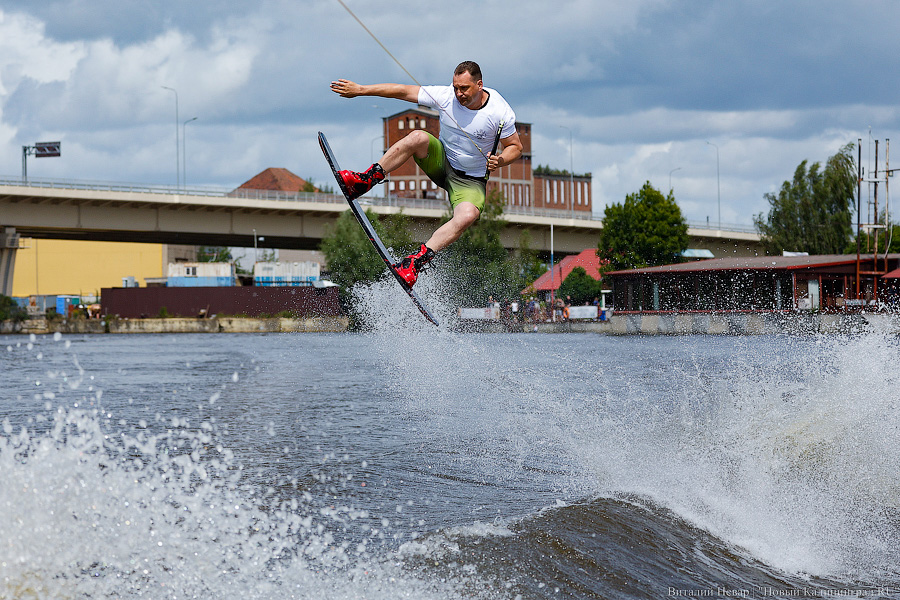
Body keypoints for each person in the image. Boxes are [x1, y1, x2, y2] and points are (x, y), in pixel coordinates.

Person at [330, 61, 523, 287]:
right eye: (456, 87)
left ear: (479, 85)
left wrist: (500, 160)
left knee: (468, 215)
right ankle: (365, 181)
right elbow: (403, 91)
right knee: (418, 137)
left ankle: (414, 263)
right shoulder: (446, 96)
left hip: (470, 182)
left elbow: (516, 147)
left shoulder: (500, 112)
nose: (459, 93)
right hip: (441, 162)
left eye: (464, 88)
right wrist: (361, 90)